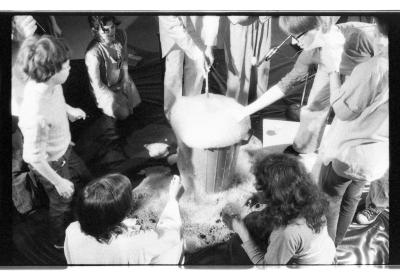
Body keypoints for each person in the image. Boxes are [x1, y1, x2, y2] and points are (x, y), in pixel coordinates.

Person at [237, 16, 375, 155]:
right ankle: (304, 146)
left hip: (366, 72)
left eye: (298, 36)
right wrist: (246, 110)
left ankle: (349, 153)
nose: (295, 41)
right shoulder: (311, 53)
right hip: (330, 66)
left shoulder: (360, 36)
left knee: (353, 113)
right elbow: (284, 85)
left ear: (317, 28)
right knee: (315, 105)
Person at [317, 16, 389, 246]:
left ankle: (326, 252)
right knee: (353, 196)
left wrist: (332, 73)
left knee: (331, 199)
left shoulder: (374, 68)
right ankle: (336, 243)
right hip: (377, 156)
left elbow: (344, 111)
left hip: (351, 153)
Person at [17, 35, 92, 248]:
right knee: (62, 203)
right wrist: (58, 182)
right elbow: (31, 157)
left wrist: (69, 110)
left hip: (64, 147)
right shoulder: (36, 114)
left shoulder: (49, 83)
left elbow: (56, 100)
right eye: (67, 66)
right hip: (51, 163)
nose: (70, 68)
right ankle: (60, 241)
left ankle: (85, 212)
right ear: (51, 72)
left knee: (85, 178)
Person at [223, 153, 335, 265]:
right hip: (325, 253)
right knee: (254, 219)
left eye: (261, 187)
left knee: (237, 243)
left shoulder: (287, 232)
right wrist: (260, 197)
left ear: (275, 195)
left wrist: (242, 231)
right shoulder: (309, 199)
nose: (256, 187)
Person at [64, 174, 184, 264]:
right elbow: (171, 235)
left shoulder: (72, 229)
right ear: (120, 214)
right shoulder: (137, 244)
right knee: (176, 245)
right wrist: (172, 199)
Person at [158, 16, 219, 119]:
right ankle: (173, 114)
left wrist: (209, 47)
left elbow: (212, 16)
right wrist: (197, 53)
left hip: (196, 24)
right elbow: (172, 26)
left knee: (197, 68)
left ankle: (191, 109)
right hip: (173, 27)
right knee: (174, 70)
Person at [85, 16, 141, 121]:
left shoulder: (120, 35)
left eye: (113, 27)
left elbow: (123, 59)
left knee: (135, 105)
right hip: (104, 89)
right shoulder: (93, 53)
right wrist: (115, 96)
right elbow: (97, 86)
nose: (111, 32)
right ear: (94, 31)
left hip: (119, 79)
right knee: (124, 114)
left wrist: (125, 78)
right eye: (106, 30)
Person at [223, 16, 272, 105]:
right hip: (240, 17)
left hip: (262, 16)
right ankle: (235, 107)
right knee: (238, 66)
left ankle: (258, 106)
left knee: (261, 65)